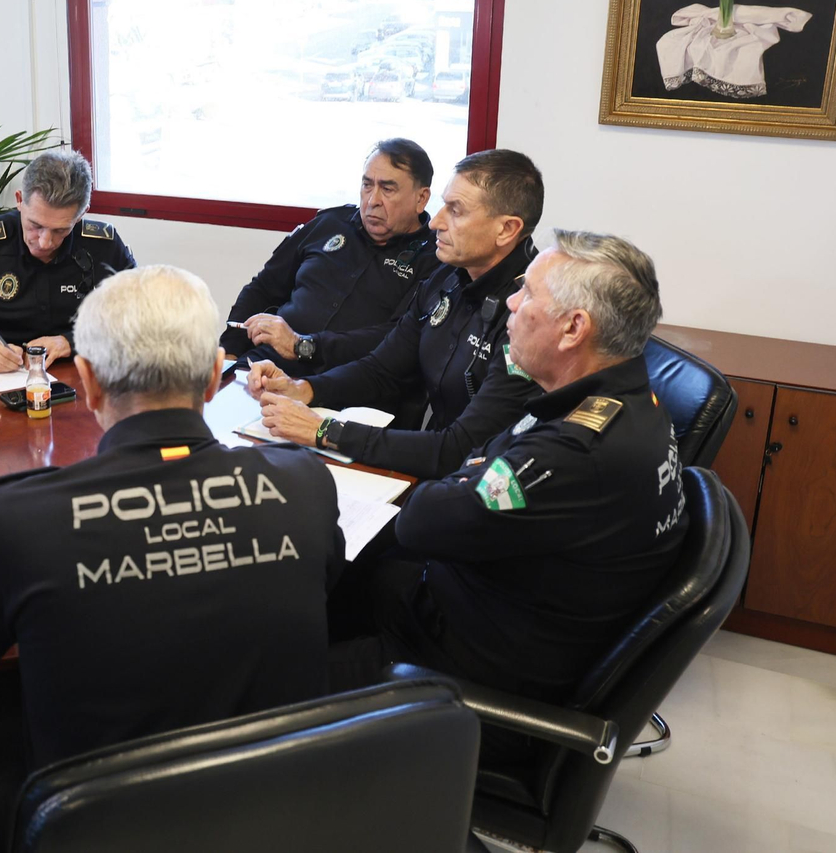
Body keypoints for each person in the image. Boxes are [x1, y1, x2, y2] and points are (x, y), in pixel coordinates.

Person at [0, 265, 343, 842]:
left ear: (88, 381)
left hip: (92, 829)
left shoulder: (11, 517)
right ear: (215, 376)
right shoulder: (304, 483)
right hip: (279, 818)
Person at [330, 231, 688, 714]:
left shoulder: (577, 450)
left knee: (272, 670)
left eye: (528, 294)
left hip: (457, 670)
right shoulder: (628, 400)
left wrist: (467, 474)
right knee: (332, 577)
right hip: (486, 604)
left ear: (573, 329)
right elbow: (476, 461)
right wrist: (470, 473)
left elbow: (421, 520)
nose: (512, 304)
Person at [249, 149, 546, 479]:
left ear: (506, 229)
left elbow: (460, 448)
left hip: (490, 481)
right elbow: (382, 369)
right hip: (440, 469)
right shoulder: (448, 277)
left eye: (456, 210)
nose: (436, 222)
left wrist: (325, 431)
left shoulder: (532, 313)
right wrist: (303, 388)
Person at [222, 138, 439, 376]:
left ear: (421, 198)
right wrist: (229, 353)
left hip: (347, 382)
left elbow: (395, 339)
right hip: (263, 365)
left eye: (387, 189)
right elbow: (263, 288)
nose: (372, 201)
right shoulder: (329, 224)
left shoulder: (434, 259)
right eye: (367, 185)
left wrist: (302, 345)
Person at [0, 148, 136, 372]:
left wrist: (72, 341)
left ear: (81, 215)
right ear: (20, 200)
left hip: (77, 374)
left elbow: (138, 316)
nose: (45, 242)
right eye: (35, 225)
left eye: (61, 230)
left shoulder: (104, 246)